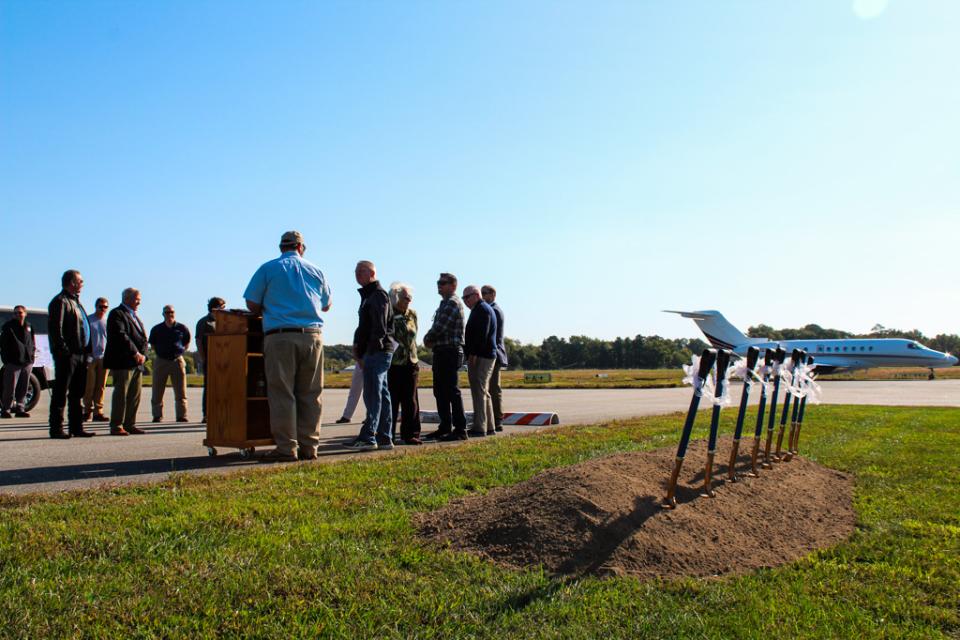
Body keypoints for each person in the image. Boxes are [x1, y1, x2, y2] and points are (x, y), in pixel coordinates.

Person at [244, 230, 331, 463]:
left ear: (281, 247)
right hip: (312, 336)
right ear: (302, 248)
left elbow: (251, 303)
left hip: (280, 335)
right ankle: (309, 447)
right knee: (311, 394)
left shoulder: (268, 269)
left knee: (282, 393)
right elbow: (326, 305)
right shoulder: (316, 270)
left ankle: (286, 448)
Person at [344, 261, 396, 451]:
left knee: (373, 393)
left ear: (373, 272)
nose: (357, 274)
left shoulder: (378, 294)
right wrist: (357, 345)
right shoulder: (368, 295)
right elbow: (364, 325)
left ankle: (368, 436)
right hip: (375, 350)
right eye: (356, 271)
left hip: (377, 351)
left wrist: (371, 349)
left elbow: (379, 326)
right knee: (381, 393)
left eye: (362, 271)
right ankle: (384, 437)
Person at [48, 269, 95, 439]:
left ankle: (76, 427)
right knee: (61, 391)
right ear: (72, 282)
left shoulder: (76, 302)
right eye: (80, 281)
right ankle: (56, 428)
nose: (82, 284)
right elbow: (55, 330)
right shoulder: (60, 302)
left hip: (81, 355)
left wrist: (87, 352)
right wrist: (64, 352)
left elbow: (84, 329)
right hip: (68, 356)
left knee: (77, 393)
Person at [422, 272, 467, 441]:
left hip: (449, 351)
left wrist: (427, 338)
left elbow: (440, 327)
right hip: (442, 351)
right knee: (439, 391)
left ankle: (460, 429)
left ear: (453, 285)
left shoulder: (453, 303)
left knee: (451, 391)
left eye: (443, 282)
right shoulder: (444, 303)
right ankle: (445, 426)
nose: (439, 285)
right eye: (438, 282)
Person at [103, 288, 149, 436]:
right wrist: (135, 353)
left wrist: (143, 356)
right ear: (127, 298)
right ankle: (116, 424)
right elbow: (121, 335)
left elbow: (142, 338)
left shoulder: (135, 316)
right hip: (123, 361)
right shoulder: (117, 314)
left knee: (135, 395)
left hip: (137, 363)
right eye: (137, 299)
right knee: (121, 394)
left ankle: (130, 423)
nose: (139, 302)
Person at [388, 282, 422, 445]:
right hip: (394, 363)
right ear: (396, 298)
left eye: (410, 297)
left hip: (411, 361)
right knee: (393, 399)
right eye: (405, 297)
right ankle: (388, 433)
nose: (409, 299)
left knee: (411, 400)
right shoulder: (389, 313)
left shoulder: (413, 314)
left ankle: (411, 434)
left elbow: (413, 336)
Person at [462, 285, 498, 437]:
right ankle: (489, 426)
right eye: (464, 298)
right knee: (484, 391)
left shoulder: (482, 310)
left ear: (476, 295)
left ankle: (479, 427)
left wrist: (473, 355)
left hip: (482, 356)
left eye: (467, 297)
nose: (465, 301)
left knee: (479, 390)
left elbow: (481, 335)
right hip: (485, 354)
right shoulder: (480, 309)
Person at [148, 305, 192, 423]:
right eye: (167, 312)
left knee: (181, 390)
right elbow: (152, 344)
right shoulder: (157, 329)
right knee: (157, 389)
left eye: (171, 312)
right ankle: (157, 415)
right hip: (161, 361)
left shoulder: (181, 328)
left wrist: (180, 351)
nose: (169, 314)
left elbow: (187, 342)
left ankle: (181, 415)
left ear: (174, 313)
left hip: (177, 360)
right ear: (163, 314)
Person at [1, 305, 36, 418]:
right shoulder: (8, 327)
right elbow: (3, 344)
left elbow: (32, 342)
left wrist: (32, 356)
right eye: (15, 313)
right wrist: (6, 361)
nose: (17, 315)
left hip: (27, 362)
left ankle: (20, 408)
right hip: (13, 362)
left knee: (23, 387)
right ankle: (6, 409)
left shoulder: (29, 326)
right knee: (9, 387)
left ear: (25, 313)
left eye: (20, 313)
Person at [194, 297, 226, 423]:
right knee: (209, 388)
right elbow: (199, 341)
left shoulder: (225, 321)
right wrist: (204, 359)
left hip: (224, 360)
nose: (225, 310)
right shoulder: (204, 322)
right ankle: (206, 414)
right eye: (222, 307)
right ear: (215, 308)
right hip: (209, 359)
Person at [481, 285, 507, 431]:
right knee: (491, 387)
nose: (482, 296)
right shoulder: (492, 309)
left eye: (484, 293)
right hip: (493, 353)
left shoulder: (494, 310)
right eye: (481, 293)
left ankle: (497, 420)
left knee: (493, 387)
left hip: (494, 353)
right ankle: (493, 419)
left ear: (493, 295)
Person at [82, 297, 110, 422]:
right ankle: (87, 410)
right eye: (100, 306)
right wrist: (86, 355)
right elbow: (83, 338)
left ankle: (98, 411)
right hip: (91, 357)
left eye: (105, 307)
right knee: (89, 385)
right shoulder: (88, 320)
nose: (103, 309)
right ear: (96, 306)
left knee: (101, 386)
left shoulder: (108, 322)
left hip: (104, 358)